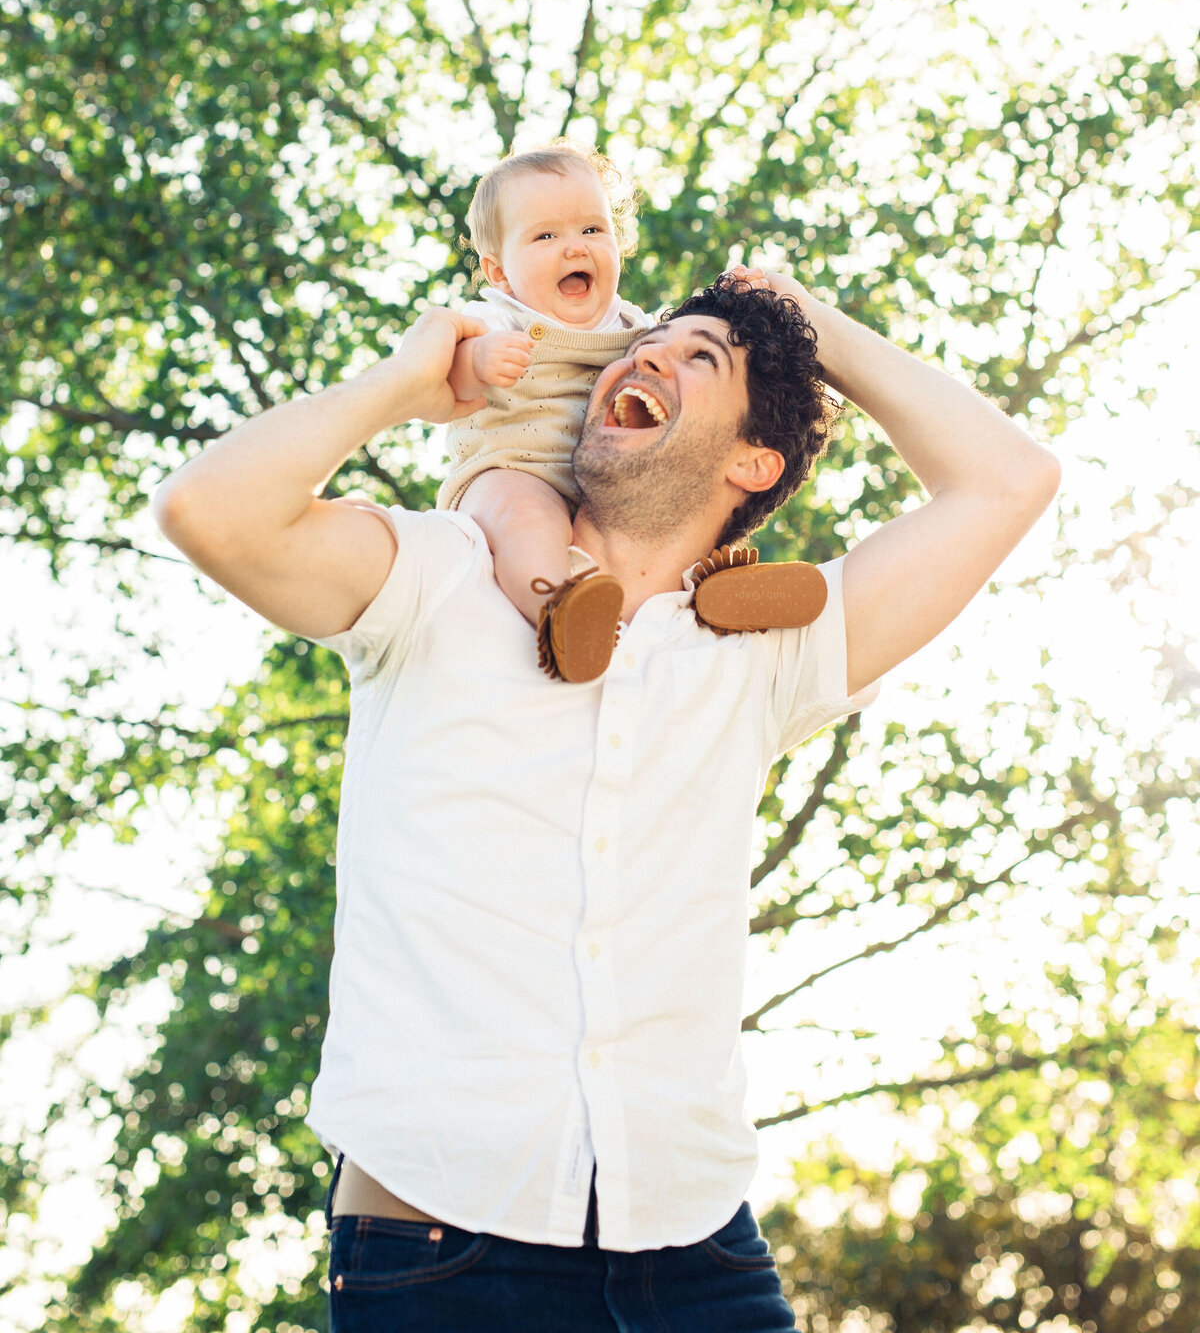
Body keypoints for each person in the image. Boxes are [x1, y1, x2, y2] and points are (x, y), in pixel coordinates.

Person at [153, 265, 1060, 1332]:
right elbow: (206, 510)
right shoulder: (436, 577)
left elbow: (1009, 481)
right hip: (440, 1247)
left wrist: (811, 325)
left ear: (752, 460)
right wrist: (400, 387)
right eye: (648, 341)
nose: (644, 354)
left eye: (697, 357)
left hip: (697, 1253)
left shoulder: (770, 653)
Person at [439, 144, 829, 683]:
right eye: (546, 235)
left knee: (673, 493)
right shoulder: (495, 317)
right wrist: (476, 361)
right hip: (511, 470)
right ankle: (560, 611)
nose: (574, 246)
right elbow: (444, 382)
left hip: (598, 484)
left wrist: (746, 298)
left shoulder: (633, 325)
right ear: (499, 272)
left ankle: (716, 593)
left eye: (592, 230)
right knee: (527, 524)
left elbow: (694, 379)